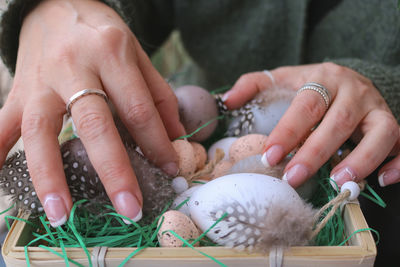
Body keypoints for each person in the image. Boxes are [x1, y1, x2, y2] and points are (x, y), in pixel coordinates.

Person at [0, 0, 398, 265]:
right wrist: (54, 8)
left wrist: (388, 87)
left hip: (382, 191)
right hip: (188, 111)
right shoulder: (199, 155)